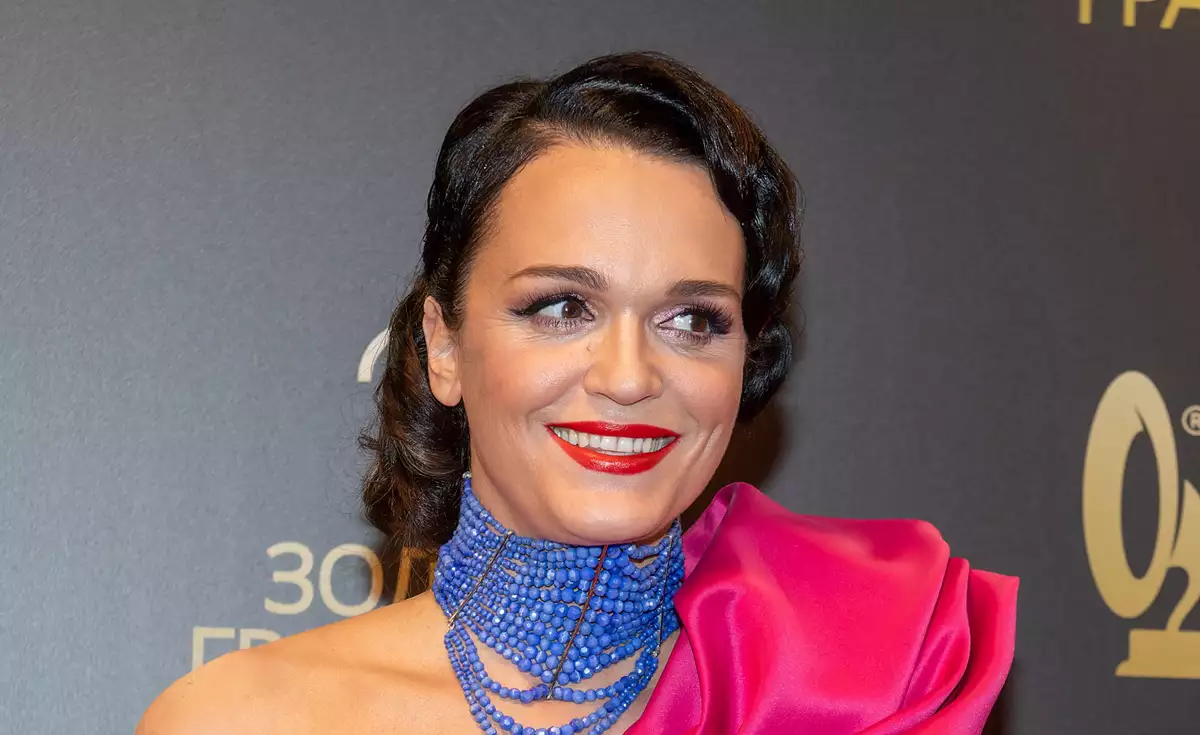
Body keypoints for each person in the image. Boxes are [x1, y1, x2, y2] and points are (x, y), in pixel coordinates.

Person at [138, 50, 1017, 735]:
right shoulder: (242, 719)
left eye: (692, 319)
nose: (628, 375)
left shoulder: (862, 680)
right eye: (562, 307)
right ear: (444, 345)